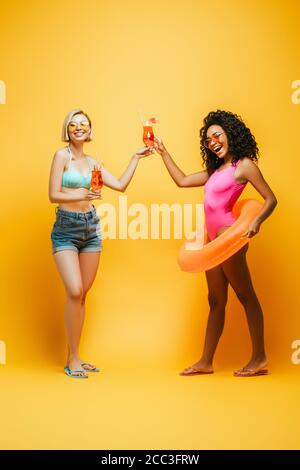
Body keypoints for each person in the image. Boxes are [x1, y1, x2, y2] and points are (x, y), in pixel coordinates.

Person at [153, 110, 277, 377]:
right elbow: (183, 180)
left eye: (217, 135)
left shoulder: (243, 166)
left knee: (246, 295)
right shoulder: (214, 171)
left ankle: (259, 358)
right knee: (215, 301)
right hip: (212, 242)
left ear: (230, 134)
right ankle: (206, 361)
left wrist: (257, 222)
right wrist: (162, 152)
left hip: (229, 239)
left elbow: (270, 199)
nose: (213, 142)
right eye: (208, 140)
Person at [49, 108, 153, 378]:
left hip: (91, 229)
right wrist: (81, 192)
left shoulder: (94, 162)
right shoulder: (63, 156)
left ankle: (76, 355)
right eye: (74, 124)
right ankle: (71, 358)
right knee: (74, 290)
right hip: (66, 229)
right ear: (68, 130)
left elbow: (119, 185)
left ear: (90, 130)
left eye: (84, 123)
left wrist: (135, 158)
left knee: (82, 294)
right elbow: (53, 194)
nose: (79, 127)